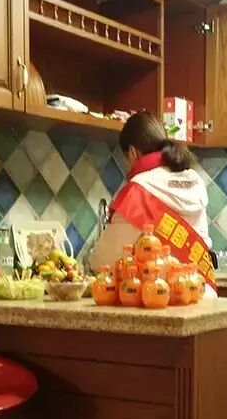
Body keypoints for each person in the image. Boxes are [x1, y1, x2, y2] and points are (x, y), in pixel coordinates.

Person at [90, 112, 216, 295]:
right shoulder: (194, 179)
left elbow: (106, 258)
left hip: (162, 297)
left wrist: (91, 262)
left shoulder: (138, 190)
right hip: (202, 292)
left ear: (132, 152)